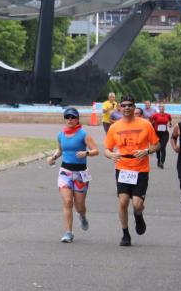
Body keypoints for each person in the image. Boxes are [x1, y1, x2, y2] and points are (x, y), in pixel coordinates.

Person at [103, 95, 159, 247]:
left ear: (134, 107)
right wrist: (111, 155)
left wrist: (146, 151)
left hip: (141, 169)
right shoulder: (114, 127)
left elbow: (157, 144)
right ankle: (125, 234)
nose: (127, 108)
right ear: (120, 108)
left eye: (130, 105)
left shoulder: (145, 124)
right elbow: (107, 149)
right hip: (123, 168)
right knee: (123, 201)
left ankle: (138, 215)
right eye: (124, 105)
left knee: (137, 204)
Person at [46, 107, 99, 243]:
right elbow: (60, 150)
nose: (70, 120)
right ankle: (68, 233)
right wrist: (53, 157)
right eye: (67, 117)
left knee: (79, 206)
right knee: (68, 201)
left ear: (77, 119)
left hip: (81, 173)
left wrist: (86, 153)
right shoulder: (60, 135)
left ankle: (82, 216)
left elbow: (96, 150)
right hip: (65, 172)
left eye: (73, 117)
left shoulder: (83, 134)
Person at [150, 102, 172, 169]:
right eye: (161, 107)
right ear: (159, 108)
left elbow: (170, 121)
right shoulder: (155, 115)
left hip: (164, 133)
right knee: (158, 148)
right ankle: (158, 159)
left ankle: (162, 162)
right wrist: (152, 125)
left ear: (164, 108)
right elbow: (150, 121)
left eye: (163, 107)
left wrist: (170, 124)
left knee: (163, 147)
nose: (162, 108)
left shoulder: (168, 115)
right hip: (157, 133)